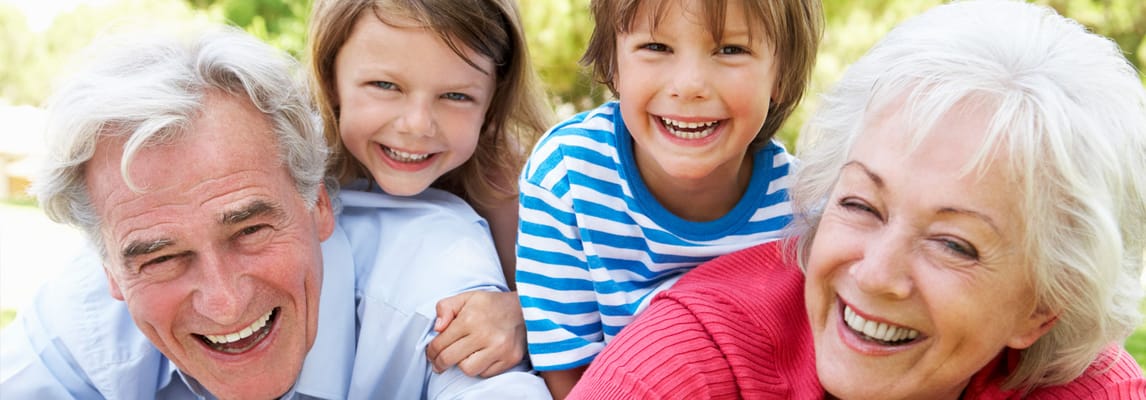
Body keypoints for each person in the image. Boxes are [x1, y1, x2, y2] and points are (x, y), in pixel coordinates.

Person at [567, 0, 1146, 398]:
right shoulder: (682, 366)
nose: (875, 276)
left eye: (954, 245)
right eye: (861, 206)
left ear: (1042, 309)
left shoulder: (1093, 386)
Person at [0, 25, 551, 399]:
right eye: (162, 258)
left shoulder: (437, 287)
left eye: (250, 229)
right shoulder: (82, 317)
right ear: (110, 271)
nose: (224, 303)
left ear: (317, 204)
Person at [514, 0, 823, 396]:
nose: (689, 85)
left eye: (731, 50)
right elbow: (567, 376)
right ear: (613, 63)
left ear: (781, 73)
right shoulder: (567, 179)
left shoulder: (801, 212)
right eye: (657, 47)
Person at [306, 0, 554, 378]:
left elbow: (579, 304)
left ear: (493, 100)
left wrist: (521, 312)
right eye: (385, 85)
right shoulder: (289, 161)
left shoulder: (507, 181)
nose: (417, 125)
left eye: (456, 96)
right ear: (330, 78)